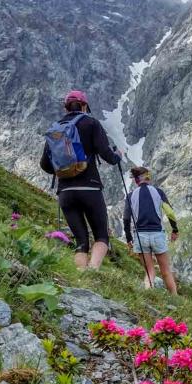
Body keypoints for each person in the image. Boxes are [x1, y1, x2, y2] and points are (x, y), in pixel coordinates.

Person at [40, 90, 121, 270]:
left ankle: (81, 277)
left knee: (80, 240)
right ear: (84, 106)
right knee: (101, 236)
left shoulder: (56, 129)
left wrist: (63, 170)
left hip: (66, 192)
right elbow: (106, 153)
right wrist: (117, 157)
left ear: (66, 107)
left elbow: (45, 164)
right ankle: (92, 270)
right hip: (90, 187)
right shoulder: (91, 123)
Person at [123, 166, 179, 295]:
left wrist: (128, 238)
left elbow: (126, 218)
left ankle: (149, 295)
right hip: (157, 234)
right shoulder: (158, 192)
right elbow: (170, 212)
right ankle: (176, 298)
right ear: (148, 177)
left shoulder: (130, 196)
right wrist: (175, 230)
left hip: (140, 236)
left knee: (149, 271)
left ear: (136, 180)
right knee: (165, 271)